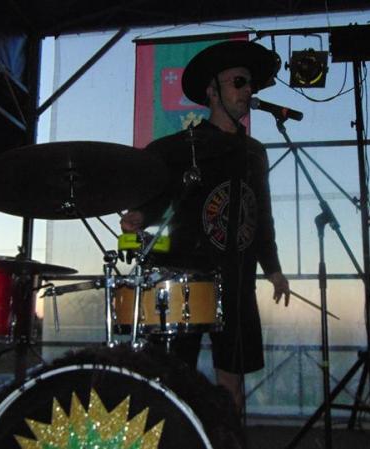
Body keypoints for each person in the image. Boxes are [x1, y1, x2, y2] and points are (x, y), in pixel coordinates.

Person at [121, 40, 291, 415]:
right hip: (185, 276)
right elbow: (160, 199)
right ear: (213, 91)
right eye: (238, 82)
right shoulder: (179, 148)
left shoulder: (255, 152)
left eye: (250, 84)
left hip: (239, 279)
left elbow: (260, 215)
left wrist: (273, 268)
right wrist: (140, 217)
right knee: (174, 377)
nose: (248, 90)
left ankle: (230, 438)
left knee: (233, 380)